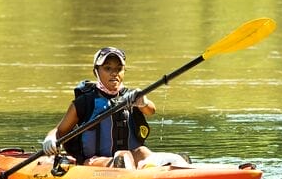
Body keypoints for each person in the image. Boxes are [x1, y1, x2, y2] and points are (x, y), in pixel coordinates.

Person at [42, 47, 188, 169]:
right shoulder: (84, 102)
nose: (114, 73)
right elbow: (60, 131)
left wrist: (143, 102)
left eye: (119, 69)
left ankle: (167, 167)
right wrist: (50, 138)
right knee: (123, 157)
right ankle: (134, 172)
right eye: (108, 68)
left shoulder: (132, 96)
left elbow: (151, 110)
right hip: (93, 162)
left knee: (143, 152)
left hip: (129, 158)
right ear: (96, 72)